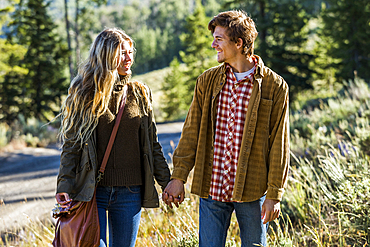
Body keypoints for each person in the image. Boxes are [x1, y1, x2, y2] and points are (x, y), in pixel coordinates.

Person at [162, 10, 290, 247]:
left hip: (252, 190)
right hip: (212, 187)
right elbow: (191, 132)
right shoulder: (207, 81)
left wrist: (274, 194)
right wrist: (179, 176)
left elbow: (279, 145)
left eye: (219, 39)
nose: (213, 45)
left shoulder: (275, 86)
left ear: (239, 43)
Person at [55, 28, 170, 247]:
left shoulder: (140, 93)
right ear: (107, 55)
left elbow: (152, 146)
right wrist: (64, 185)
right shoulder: (84, 94)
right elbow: (72, 146)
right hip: (92, 191)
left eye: (130, 52)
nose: (130, 58)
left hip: (130, 192)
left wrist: (168, 184)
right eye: (123, 53)